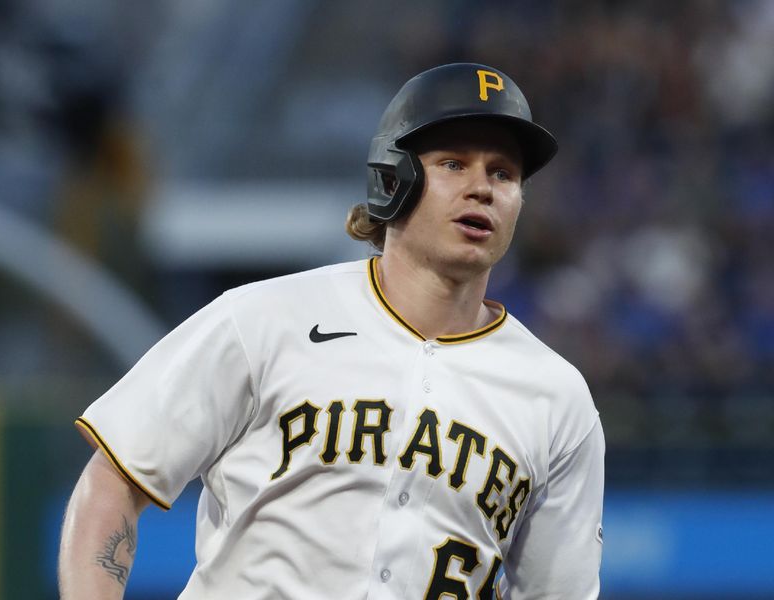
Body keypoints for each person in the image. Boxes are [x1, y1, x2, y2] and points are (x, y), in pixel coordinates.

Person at [58, 62, 604, 600]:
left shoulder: (556, 398)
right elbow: (113, 483)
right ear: (394, 176)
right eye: (454, 163)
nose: (482, 188)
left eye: (503, 173)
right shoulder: (266, 319)